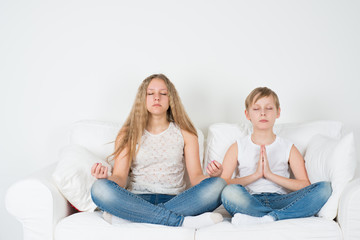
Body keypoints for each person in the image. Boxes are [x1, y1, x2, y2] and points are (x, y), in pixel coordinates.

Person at [90, 73, 226, 228]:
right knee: (99, 188)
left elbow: (195, 178)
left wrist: (212, 176)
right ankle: (180, 221)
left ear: (171, 99)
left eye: (163, 93)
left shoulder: (187, 133)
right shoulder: (128, 133)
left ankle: (131, 218)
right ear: (143, 98)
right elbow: (120, 178)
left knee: (218, 184)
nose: (157, 98)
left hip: (176, 200)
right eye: (151, 93)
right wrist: (106, 179)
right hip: (136, 199)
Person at [219, 87, 332, 226]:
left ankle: (267, 218)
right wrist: (256, 175)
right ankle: (275, 217)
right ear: (247, 114)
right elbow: (222, 183)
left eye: (269, 108)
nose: (263, 113)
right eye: (256, 109)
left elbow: (304, 184)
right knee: (229, 192)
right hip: (250, 200)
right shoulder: (237, 147)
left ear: (278, 112)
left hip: (282, 201)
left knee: (325, 188)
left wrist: (270, 175)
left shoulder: (288, 147)